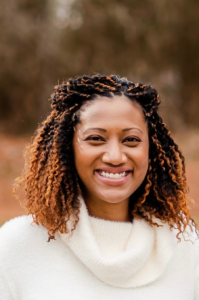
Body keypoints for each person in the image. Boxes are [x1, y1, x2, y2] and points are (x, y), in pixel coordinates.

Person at [0, 74, 198, 299]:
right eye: (96, 138)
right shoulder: (15, 248)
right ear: (68, 147)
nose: (115, 156)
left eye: (131, 140)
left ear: (151, 149)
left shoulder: (185, 246)